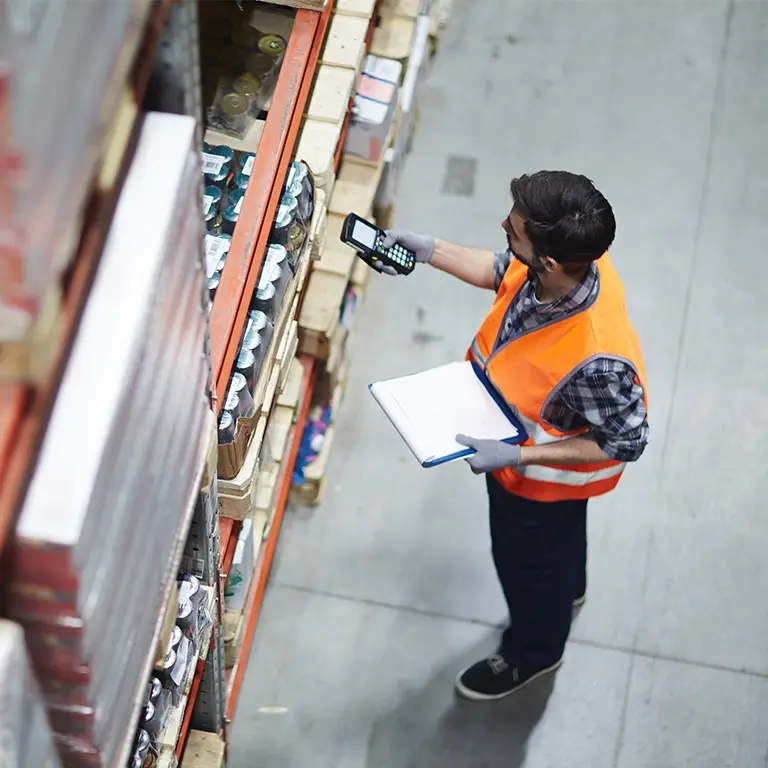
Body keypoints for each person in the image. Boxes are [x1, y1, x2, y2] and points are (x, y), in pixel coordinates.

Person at [371, 170, 648, 702]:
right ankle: (567, 590)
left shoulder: (597, 360)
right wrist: (430, 250)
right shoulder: (571, 264)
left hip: (536, 486)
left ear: (549, 261)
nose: (503, 225)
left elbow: (627, 441)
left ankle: (534, 652)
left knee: (528, 566)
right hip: (532, 473)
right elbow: (504, 270)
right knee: (560, 549)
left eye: (513, 229)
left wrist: (517, 456)